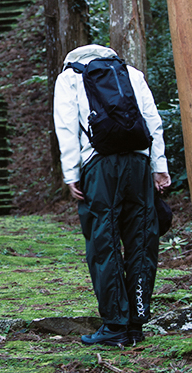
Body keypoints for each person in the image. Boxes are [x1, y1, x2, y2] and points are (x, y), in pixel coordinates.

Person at [53, 44, 171, 348]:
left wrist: (71, 173)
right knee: (142, 241)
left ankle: (115, 324)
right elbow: (152, 120)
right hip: (139, 163)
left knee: (103, 244)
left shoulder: (70, 78)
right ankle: (136, 322)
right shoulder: (131, 73)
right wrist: (160, 166)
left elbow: (65, 126)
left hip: (99, 166)